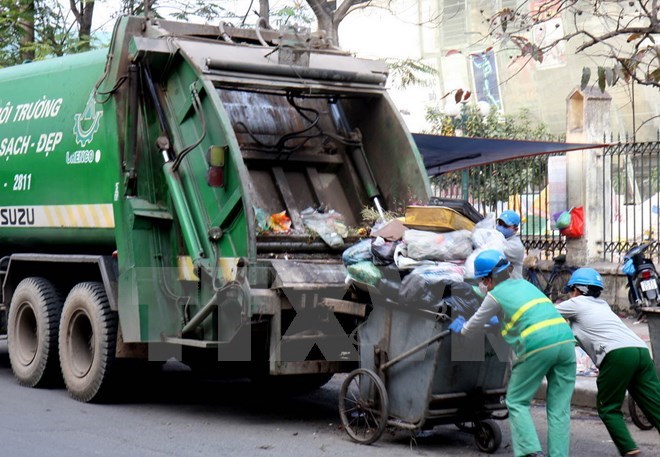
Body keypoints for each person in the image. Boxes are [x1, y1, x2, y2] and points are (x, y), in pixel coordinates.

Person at [450, 249, 576, 457]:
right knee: (559, 409)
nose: (482, 284)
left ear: (489, 279)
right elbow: (524, 313)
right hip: (565, 341)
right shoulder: (525, 284)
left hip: (538, 343)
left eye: (482, 280)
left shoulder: (495, 295)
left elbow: (473, 326)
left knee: (517, 401)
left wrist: (461, 329)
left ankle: (530, 451)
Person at [556, 268, 660, 456]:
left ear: (578, 290)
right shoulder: (602, 305)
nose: (570, 295)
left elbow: (545, 311)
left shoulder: (577, 303)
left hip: (617, 355)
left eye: (571, 290)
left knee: (608, 407)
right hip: (641, 351)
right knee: (655, 403)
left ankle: (630, 450)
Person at [497, 210, 525, 279]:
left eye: (505, 226)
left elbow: (495, 253)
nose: (500, 227)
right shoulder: (499, 239)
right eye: (500, 224)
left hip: (513, 285)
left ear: (515, 229)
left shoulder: (516, 246)